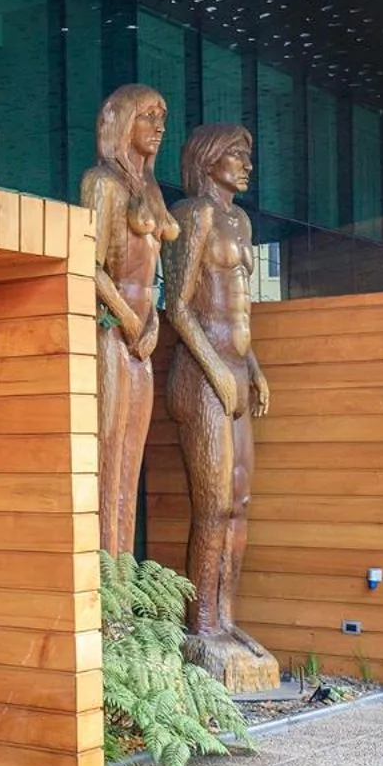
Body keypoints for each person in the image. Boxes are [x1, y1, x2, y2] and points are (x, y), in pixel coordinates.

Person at [164, 122, 278, 690]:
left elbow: (240, 309)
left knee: (240, 502)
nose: (246, 164)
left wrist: (252, 369)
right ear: (208, 160)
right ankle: (202, 623)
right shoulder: (192, 215)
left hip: (236, 370)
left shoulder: (242, 221)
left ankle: (228, 618)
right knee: (212, 506)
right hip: (201, 375)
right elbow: (177, 306)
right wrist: (215, 370)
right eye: (236, 154)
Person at [80, 85, 179, 556]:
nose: (159, 127)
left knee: (131, 461)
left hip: (143, 334)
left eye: (162, 117)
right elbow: (90, 266)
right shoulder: (102, 183)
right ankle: (105, 583)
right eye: (147, 116)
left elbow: (154, 274)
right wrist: (126, 317)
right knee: (108, 454)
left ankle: (122, 578)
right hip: (110, 331)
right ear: (121, 121)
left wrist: (151, 322)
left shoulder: (150, 190)